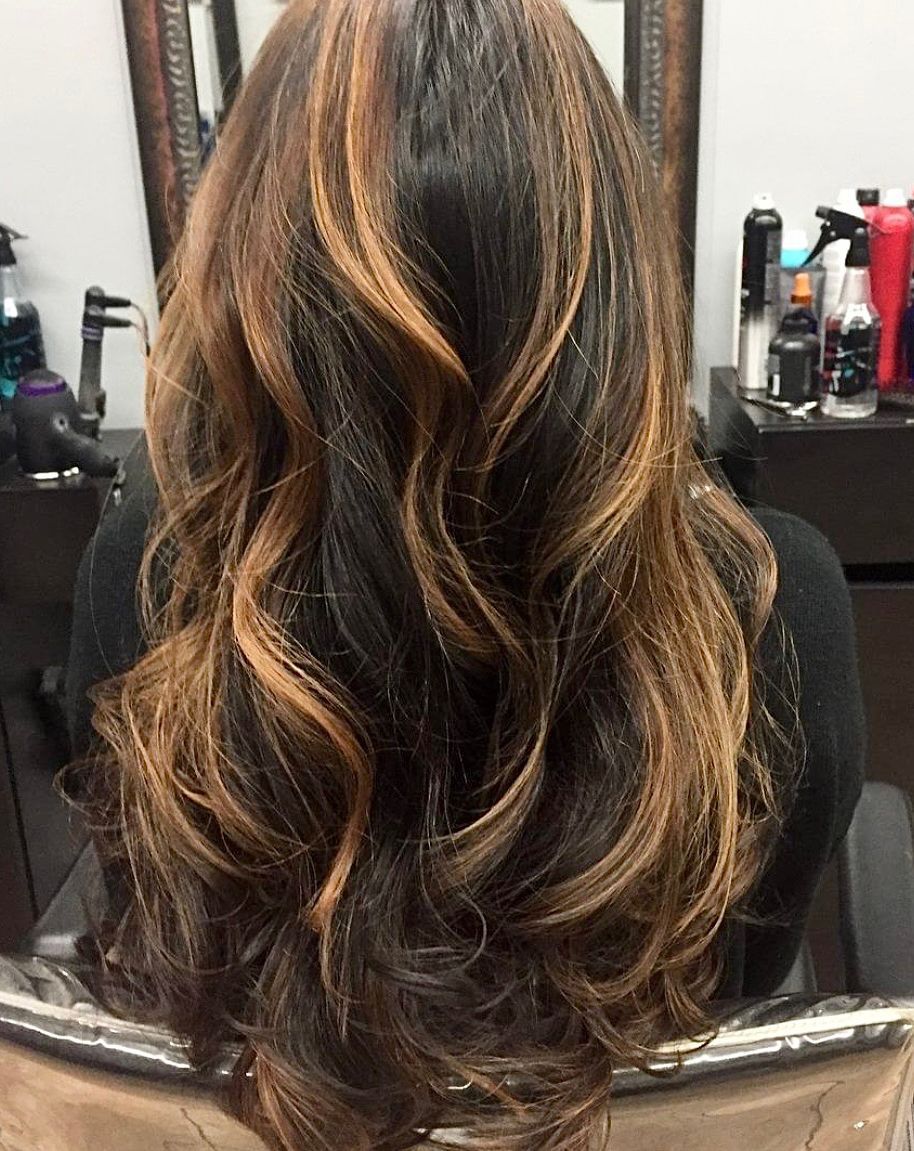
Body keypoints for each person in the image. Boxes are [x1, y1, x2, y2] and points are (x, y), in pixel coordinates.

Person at [65, 1, 864, 1147]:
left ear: (246, 264)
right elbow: (742, 972)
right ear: (607, 277)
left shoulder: (148, 574)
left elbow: (166, 926)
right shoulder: (776, 608)